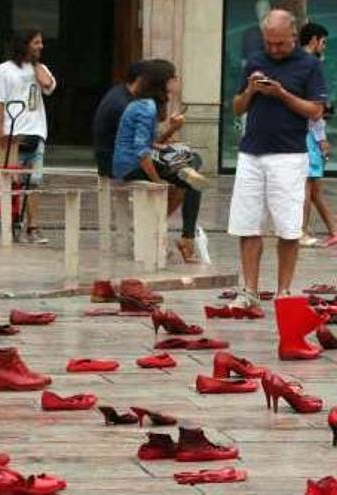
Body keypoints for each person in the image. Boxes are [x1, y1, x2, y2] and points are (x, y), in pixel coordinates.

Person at [229, 9, 328, 307]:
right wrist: (250, 90)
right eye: (269, 43)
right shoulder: (256, 61)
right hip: (251, 153)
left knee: (288, 227)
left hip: (288, 155)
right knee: (246, 225)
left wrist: (282, 94)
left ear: (294, 38)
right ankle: (249, 290)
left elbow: (315, 111)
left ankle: (284, 291)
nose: (273, 49)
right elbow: (236, 107)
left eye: (280, 44)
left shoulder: (309, 66)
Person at [112, 59, 208, 258]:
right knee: (192, 177)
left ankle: (175, 234)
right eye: (173, 77)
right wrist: (158, 182)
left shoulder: (146, 104)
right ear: (163, 82)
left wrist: (172, 129)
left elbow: (150, 142)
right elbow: (141, 151)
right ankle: (184, 237)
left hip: (132, 160)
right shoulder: (146, 107)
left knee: (191, 171)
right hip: (130, 165)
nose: (177, 81)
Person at [0, 29, 56, 244]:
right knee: (11, 182)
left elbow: (48, 85)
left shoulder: (41, 68)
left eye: (41, 42)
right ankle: (8, 223)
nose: (40, 46)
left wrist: (36, 65)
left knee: (34, 182)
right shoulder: (4, 70)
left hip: (36, 132)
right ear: (24, 44)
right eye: (36, 42)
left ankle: (32, 226)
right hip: (13, 133)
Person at [298, 22, 337, 248]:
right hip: (307, 134)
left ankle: (306, 230)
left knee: (311, 188)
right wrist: (321, 138)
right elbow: (315, 108)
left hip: (307, 133)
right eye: (323, 42)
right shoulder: (311, 65)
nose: (325, 47)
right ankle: (304, 230)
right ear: (314, 40)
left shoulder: (303, 64)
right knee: (309, 188)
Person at [92, 60, 146, 179]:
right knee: (175, 172)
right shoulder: (124, 104)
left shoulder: (120, 91)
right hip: (115, 164)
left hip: (112, 159)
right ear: (140, 80)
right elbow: (140, 148)